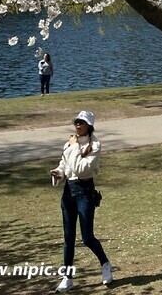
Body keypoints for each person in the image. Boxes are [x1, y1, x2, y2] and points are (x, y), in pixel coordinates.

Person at [50, 110, 113, 292]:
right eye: (76, 122)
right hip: (68, 192)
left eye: (81, 122)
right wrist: (59, 172)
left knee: (87, 237)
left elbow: (81, 169)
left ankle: (105, 264)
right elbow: (65, 164)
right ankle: (67, 277)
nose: (77, 125)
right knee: (68, 238)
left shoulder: (94, 146)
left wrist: (74, 147)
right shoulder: (70, 143)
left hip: (85, 192)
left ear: (89, 126)